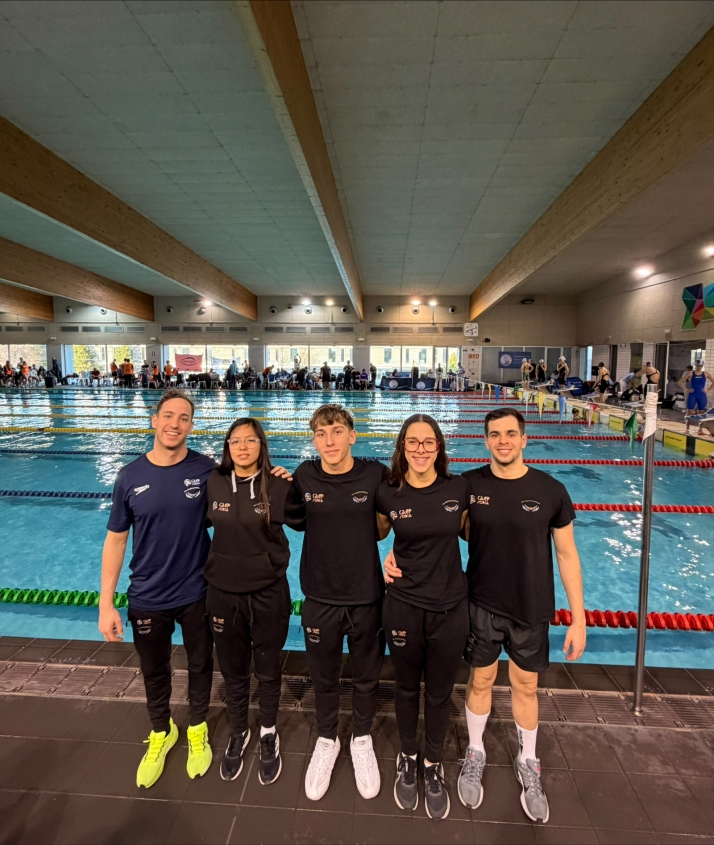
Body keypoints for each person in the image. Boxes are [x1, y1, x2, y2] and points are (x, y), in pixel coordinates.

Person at [458, 408, 585, 823]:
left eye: (511, 434)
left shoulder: (551, 490)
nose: (503, 441)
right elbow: (436, 525)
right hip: (481, 603)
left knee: (525, 687)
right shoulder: (469, 485)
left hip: (531, 609)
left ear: (525, 439)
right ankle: (475, 750)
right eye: (494, 434)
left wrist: (578, 618)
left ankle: (528, 761)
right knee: (480, 679)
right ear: (486, 440)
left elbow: (567, 554)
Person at [98, 390, 217, 789]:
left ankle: (197, 726)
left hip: (198, 592)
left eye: (184, 418)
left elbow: (243, 500)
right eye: (168, 415)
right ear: (154, 420)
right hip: (147, 596)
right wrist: (105, 604)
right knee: (154, 670)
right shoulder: (129, 477)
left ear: (191, 425)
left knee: (201, 665)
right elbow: (115, 540)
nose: (175, 424)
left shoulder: (206, 470)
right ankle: (161, 731)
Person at [289, 404, 389, 803]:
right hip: (319, 597)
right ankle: (327, 739)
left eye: (336, 431)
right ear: (314, 439)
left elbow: (399, 518)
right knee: (324, 677)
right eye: (320, 433)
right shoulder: (302, 475)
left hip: (367, 596)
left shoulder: (375, 474)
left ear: (352, 434)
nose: (329, 441)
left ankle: (361, 738)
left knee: (366, 677)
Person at [205, 418, 305, 784]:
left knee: (267, 668)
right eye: (235, 441)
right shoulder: (213, 481)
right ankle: (238, 730)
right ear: (227, 446)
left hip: (268, 592)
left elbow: (313, 521)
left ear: (262, 446)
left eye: (251, 441)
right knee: (232, 670)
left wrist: (296, 481)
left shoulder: (277, 485)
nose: (243, 447)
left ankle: (267, 731)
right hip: (222, 593)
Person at [379, 415, 469, 820]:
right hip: (403, 604)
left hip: (450, 607)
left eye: (427, 442)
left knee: (439, 692)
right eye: (412, 442)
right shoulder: (389, 493)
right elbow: (374, 533)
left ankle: (433, 764)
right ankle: (407, 755)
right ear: (402, 446)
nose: (420, 449)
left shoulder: (458, 489)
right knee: (405, 688)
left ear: (439, 448)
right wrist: (384, 558)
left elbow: (481, 534)